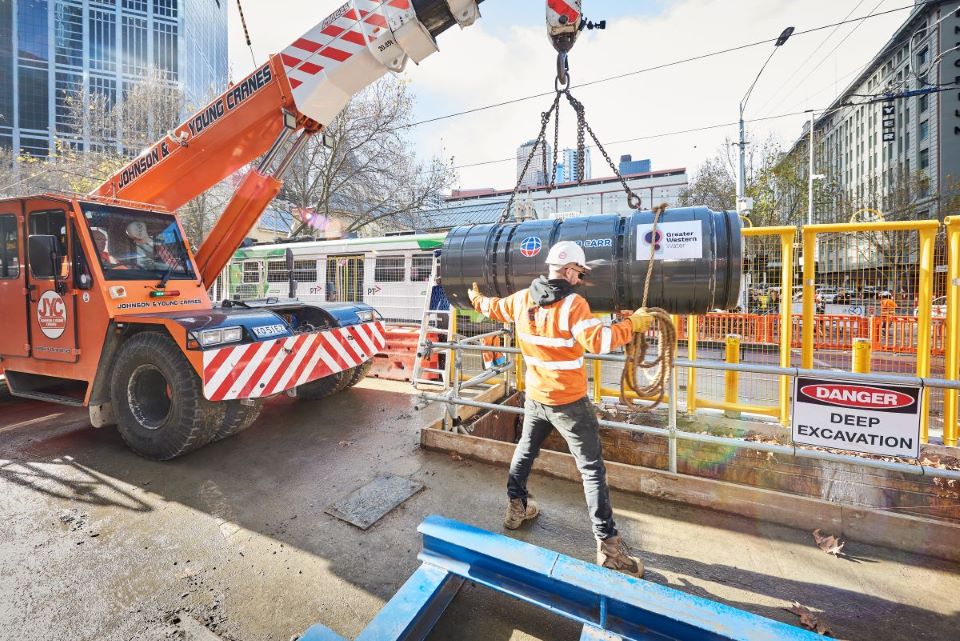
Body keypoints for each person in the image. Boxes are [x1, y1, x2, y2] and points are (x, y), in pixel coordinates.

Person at [468, 240, 652, 578]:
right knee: (592, 471)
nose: (580, 280)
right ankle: (610, 550)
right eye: (578, 273)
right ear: (567, 271)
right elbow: (599, 341)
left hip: (537, 397)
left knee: (525, 451)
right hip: (569, 402)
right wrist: (633, 327)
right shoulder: (573, 305)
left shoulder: (523, 299)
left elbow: (492, 307)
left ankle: (516, 509)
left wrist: (474, 297)